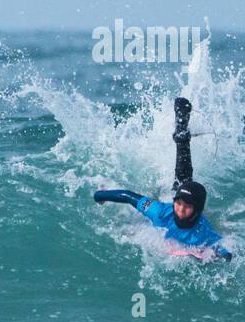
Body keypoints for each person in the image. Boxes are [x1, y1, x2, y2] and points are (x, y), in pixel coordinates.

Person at [94, 97, 231, 260]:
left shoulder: (204, 233)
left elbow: (223, 251)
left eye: (187, 206)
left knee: (184, 178)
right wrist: (99, 196)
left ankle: (182, 137)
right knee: (182, 180)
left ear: (198, 210)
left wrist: (221, 256)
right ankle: (181, 130)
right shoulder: (159, 212)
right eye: (178, 203)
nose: (180, 209)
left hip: (192, 217)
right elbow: (129, 197)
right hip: (169, 197)